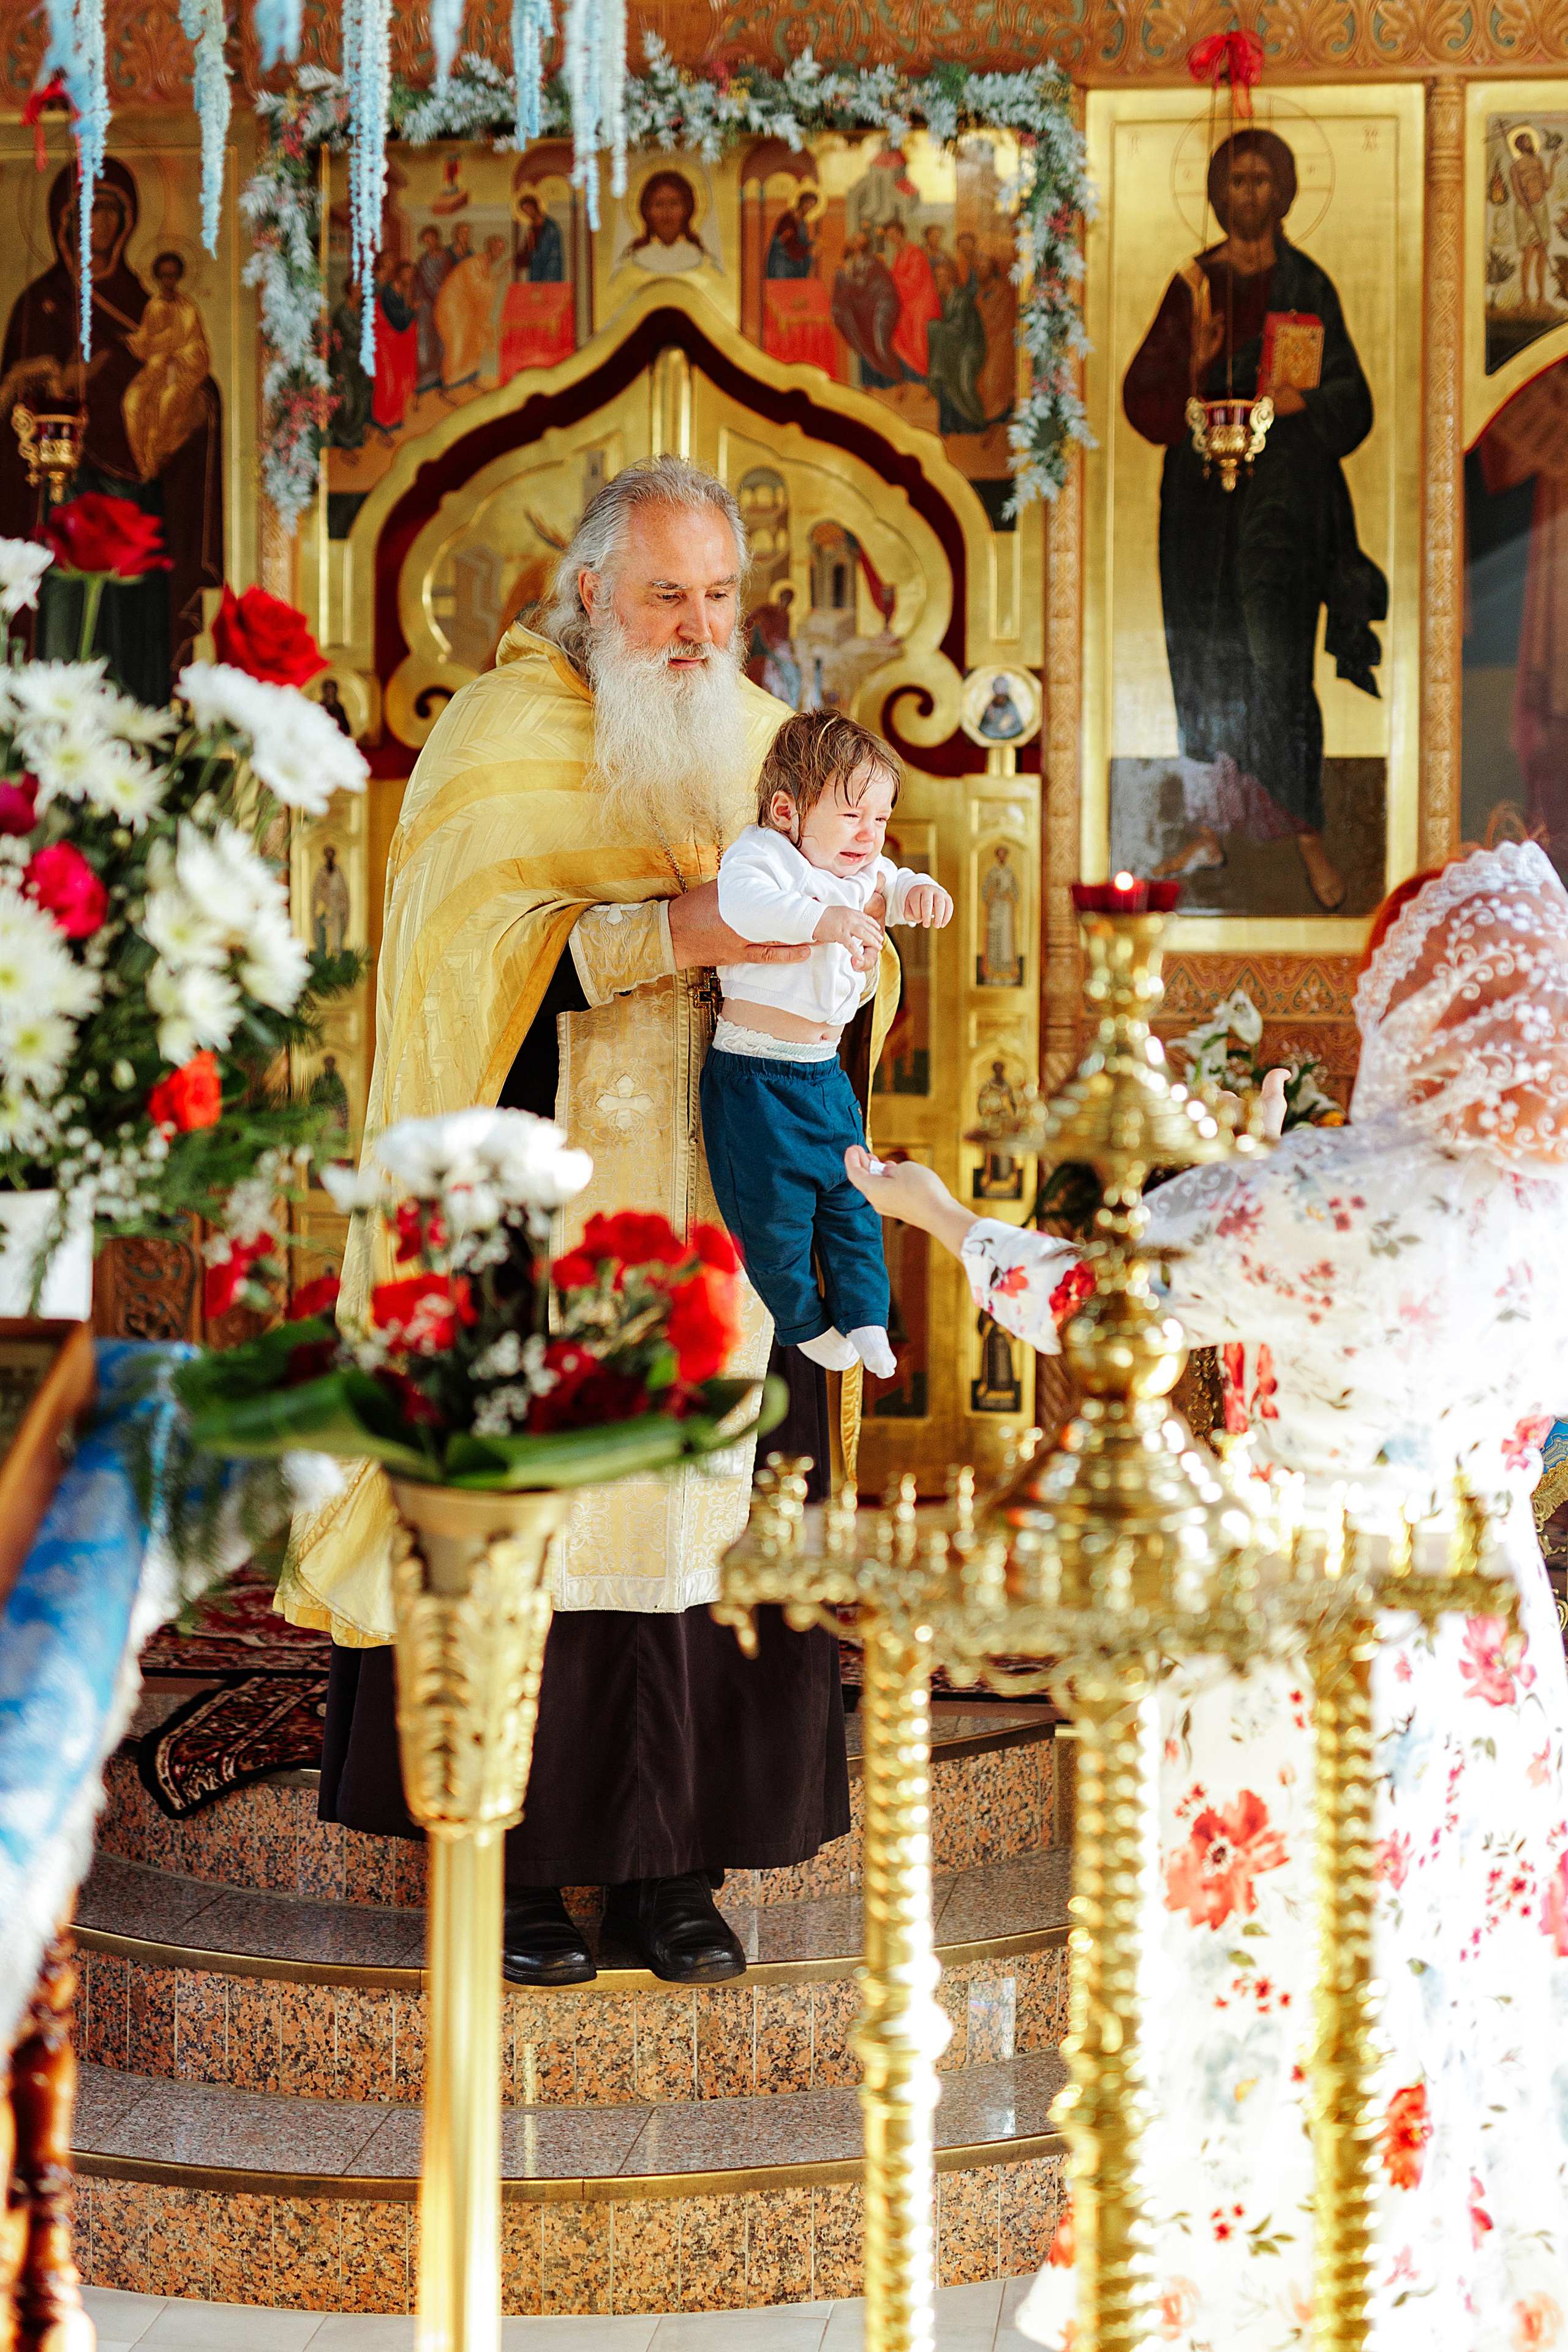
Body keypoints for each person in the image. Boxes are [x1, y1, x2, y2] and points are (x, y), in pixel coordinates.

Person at [845, 841, 1568, 2350]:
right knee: (1453, 1965)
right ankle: (1443, 2285)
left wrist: (934, 1217)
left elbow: (1096, 1299)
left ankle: (1249, 2293)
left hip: (1308, 1612)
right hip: (1488, 1627)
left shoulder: (1331, 1192)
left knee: (1271, 1967)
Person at [281, 458, 899, 1990]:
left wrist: (843, 961)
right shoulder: (496, 743)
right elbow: (455, 977)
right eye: (663, 597)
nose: (696, 629)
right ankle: (509, 1874)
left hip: (717, 1209)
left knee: (704, 1525)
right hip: (542, 1211)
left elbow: (846, 938)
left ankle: (673, 1870)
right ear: (590, 595)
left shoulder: (771, 747)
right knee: (542, 1526)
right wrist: (673, 934)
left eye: (717, 598)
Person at [1123, 129, 1387, 913]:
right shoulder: (1192, 286)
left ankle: (1305, 831)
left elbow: (1354, 400)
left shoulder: (1306, 285)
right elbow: (1142, 400)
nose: (1246, 194)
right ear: (1215, 191)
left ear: (1283, 192)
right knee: (1200, 659)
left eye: (1260, 181)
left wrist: (1300, 397)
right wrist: (1194, 362)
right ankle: (1209, 826)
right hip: (1201, 506)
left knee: (1276, 661)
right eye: (1233, 180)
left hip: (1284, 505)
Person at [703, 709, 951, 1382]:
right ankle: (806, 1322)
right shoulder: (763, 857)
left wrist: (918, 892)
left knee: (853, 1196)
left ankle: (868, 1316)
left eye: (880, 819)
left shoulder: (865, 871)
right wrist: (823, 919)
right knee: (773, 1215)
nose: (869, 836)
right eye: (851, 817)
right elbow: (744, 907)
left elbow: (892, 886)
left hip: (823, 1074)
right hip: (755, 1075)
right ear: (786, 810)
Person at [123, 251, 211, 484]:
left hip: (181, 372)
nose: (168, 281)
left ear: (179, 277)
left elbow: (199, 349)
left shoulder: (188, 310)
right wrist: (137, 342)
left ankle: (156, 459)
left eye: (172, 276)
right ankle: (142, 463)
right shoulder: (153, 306)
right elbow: (146, 340)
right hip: (155, 370)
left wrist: (177, 354)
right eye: (163, 276)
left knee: (167, 402)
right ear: (157, 278)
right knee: (131, 402)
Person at [765, 190, 818, 279]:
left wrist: (814, 244)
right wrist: (809, 249)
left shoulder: (803, 223)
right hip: (782, 262)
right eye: (808, 204)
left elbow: (802, 243)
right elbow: (788, 243)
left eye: (812, 206)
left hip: (794, 261)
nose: (809, 208)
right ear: (801, 202)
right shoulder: (788, 219)